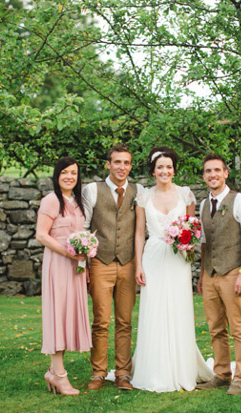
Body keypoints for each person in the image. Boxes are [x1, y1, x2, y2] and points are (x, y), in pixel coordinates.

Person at [131, 146, 214, 392]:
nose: (165, 171)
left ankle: (182, 367)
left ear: (174, 170)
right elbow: (138, 234)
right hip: (153, 255)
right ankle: (154, 369)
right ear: (153, 171)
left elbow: (193, 228)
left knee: (179, 308)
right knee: (154, 309)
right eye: (160, 167)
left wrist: (186, 244)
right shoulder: (143, 197)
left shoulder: (186, 194)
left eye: (169, 167)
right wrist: (138, 265)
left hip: (179, 258)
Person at [196, 153, 241, 395]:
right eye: (207, 171)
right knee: (215, 327)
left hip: (234, 272)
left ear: (226, 173)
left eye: (216, 170)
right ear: (203, 176)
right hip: (210, 275)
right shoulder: (203, 205)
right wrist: (203, 274)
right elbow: (203, 241)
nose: (212, 175)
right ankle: (221, 374)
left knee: (239, 327)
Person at [82, 144, 144, 391]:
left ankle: (122, 373)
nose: (122, 167)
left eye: (126, 163)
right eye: (117, 162)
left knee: (125, 321)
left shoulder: (139, 192)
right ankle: (98, 372)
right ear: (108, 164)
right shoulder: (92, 190)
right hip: (101, 262)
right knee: (101, 321)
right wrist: (85, 263)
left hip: (128, 264)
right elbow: (84, 228)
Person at [35, 157, 91, 396]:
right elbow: (41, 234)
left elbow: (80, 234)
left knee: (68, 316)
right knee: (58, 315)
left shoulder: (78, 202)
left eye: (74, 173)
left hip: (75, 267)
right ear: (57, 175)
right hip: (58, 263)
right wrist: (68, 252)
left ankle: (53, 370)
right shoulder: (51, 200)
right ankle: (59, 375)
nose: (69, 177)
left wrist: (83, 254)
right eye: (65, 173)